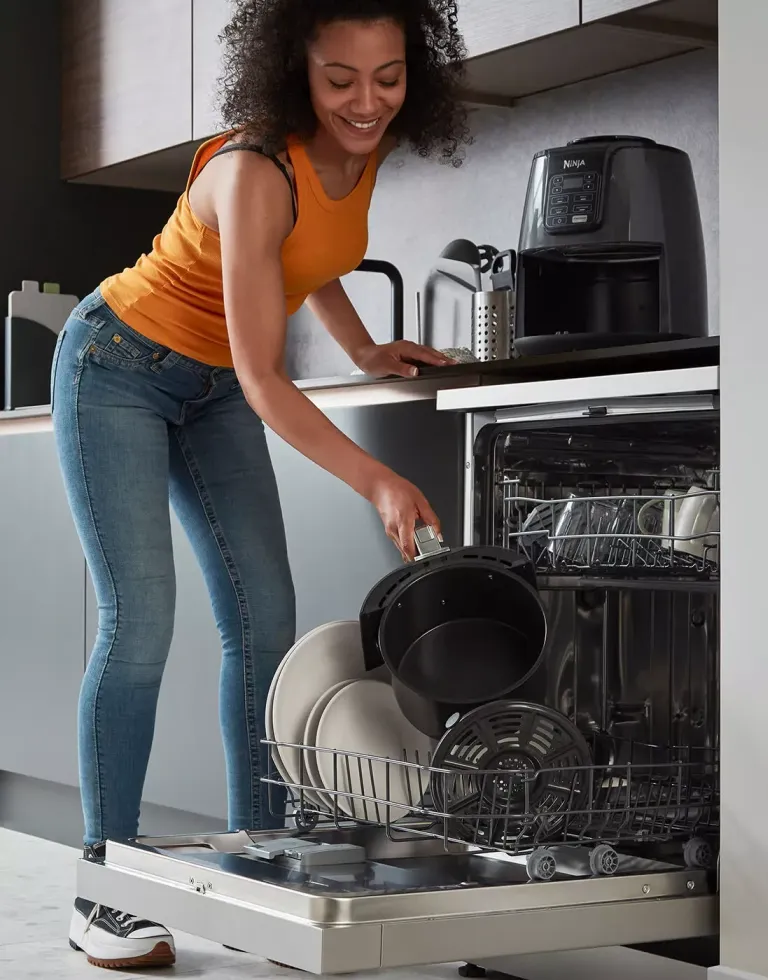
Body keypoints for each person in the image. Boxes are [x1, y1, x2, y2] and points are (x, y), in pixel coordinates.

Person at [54, 0, 468, 969]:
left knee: (265, 617)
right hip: (118, 364)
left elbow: (309, 253)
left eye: (387, 76)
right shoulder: (251, 168)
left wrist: (365, 342)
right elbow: (264, 374)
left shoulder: (355, 149)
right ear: (296, 71)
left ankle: (260, 862)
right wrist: (374, 479)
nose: (366, 103)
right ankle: (100, 885)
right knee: (141, 618)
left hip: (209, 387)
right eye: (339, 80)